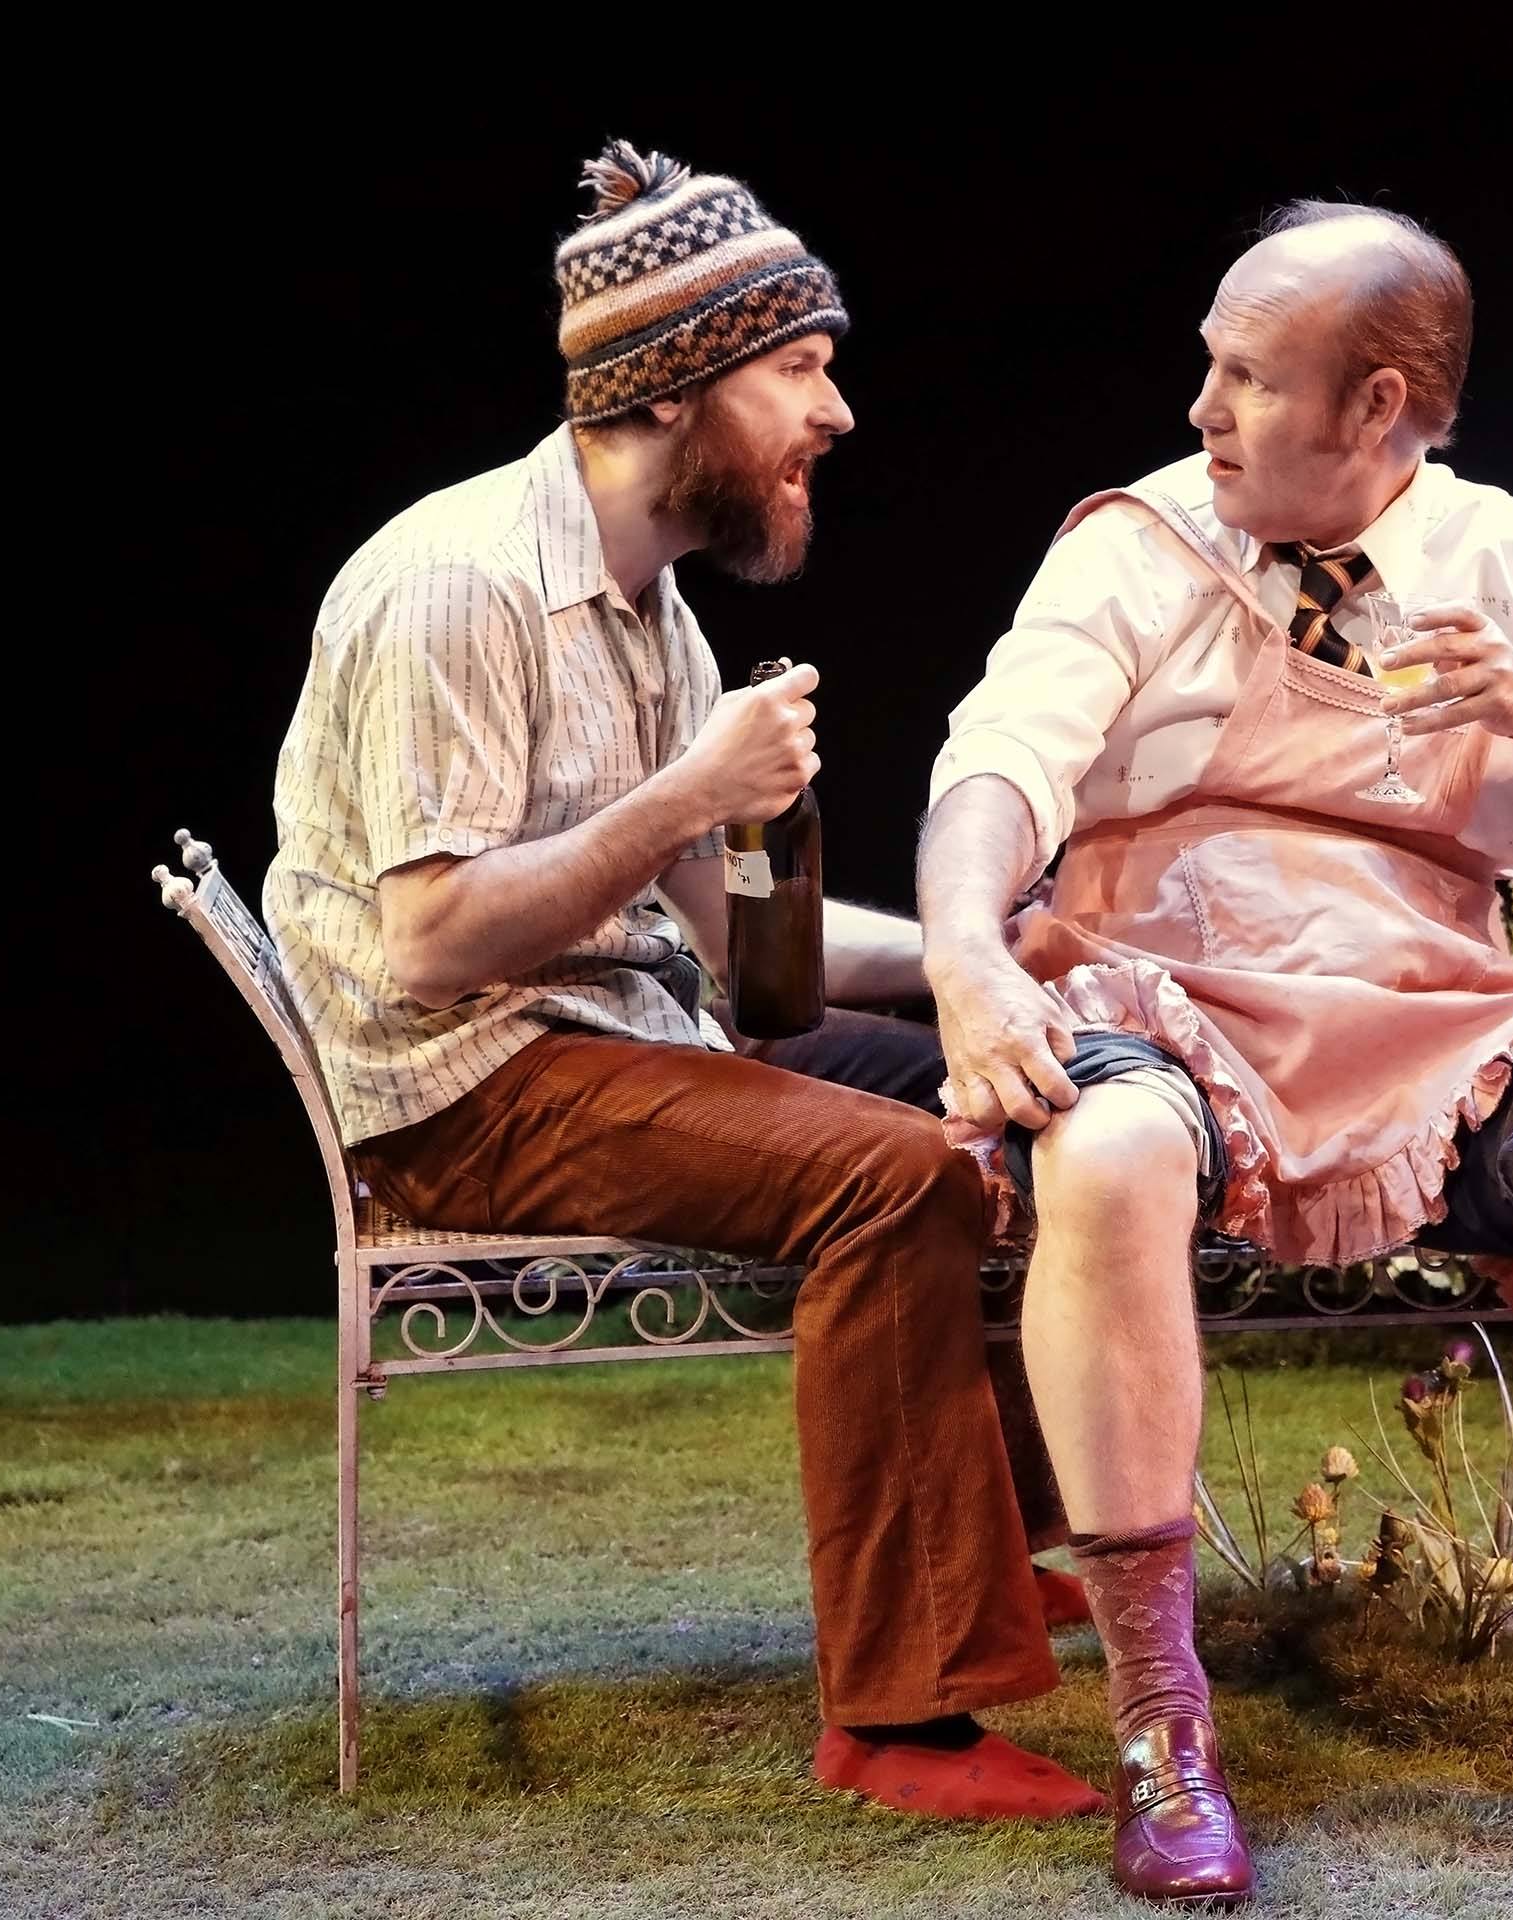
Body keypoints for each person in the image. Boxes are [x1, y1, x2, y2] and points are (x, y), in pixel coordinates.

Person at [918, 200, 1513, 1900]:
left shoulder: (1510, 554)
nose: (1202, 408)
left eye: (1249, 378)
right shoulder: (1138, 544)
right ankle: (1162, 1730)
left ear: (1380, 405)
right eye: (1210, 365)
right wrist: (968, 946)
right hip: (1164, 998)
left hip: (1430, 1020)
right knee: (1108, 1146)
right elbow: (1002, 757)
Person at [263, 142, 1102, 1821]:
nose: (836, 412)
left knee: (1027, 1094)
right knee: (893, 1180)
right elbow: (431, 943)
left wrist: (975, 957)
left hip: (628, 1035)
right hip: (470, 1085)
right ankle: (899, 1718)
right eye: (799, 370)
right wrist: (690, 793)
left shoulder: (650, 611)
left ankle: (980, 1551)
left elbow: (736, 954)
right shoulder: (461, 585)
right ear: (673, 389)